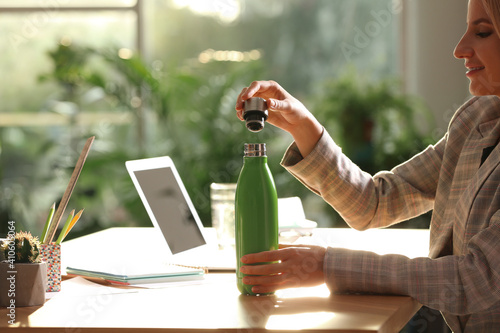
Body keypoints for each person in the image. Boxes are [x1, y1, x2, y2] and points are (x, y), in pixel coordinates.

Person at [234, 0, 500, 332]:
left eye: (483, 32)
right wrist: (302, 125)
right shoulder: (476, 121)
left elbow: (476, 280)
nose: (460, 49)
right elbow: (375, 203)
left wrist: (327, 265)